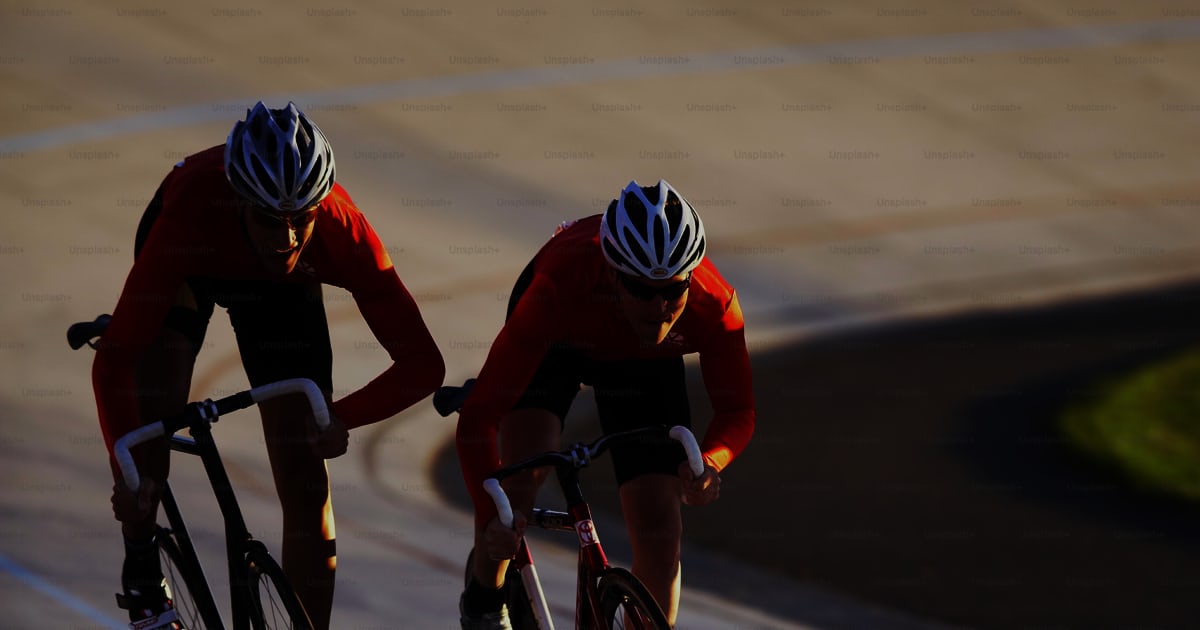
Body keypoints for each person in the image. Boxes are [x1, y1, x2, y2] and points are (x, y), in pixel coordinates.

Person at [91, 101, 445, 630]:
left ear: (319, 207)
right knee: (151, 438)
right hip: (193, 265)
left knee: (306, 477)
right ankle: (141, 560)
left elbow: (424, 364)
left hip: (283, 292)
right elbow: (114, 363)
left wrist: (343, 415)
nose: (284, 238)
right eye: (267, 219)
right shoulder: (191, 209)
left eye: (300, 220)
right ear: (238, 197)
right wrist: (131, 471)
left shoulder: (341, 231)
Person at [454, 180, 755, 629]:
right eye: (641, 289)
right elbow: (479, 416)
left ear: (691, 278)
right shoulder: (558, 286)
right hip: (558, 343)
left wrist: (710, 463)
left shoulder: (714, 304)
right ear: (613, 273)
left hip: (642, 365)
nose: (658, 306)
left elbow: (738, 412)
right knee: (519, 482)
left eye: (672, 290)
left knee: (659, 525)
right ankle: (484, 597)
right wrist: (489, 509)